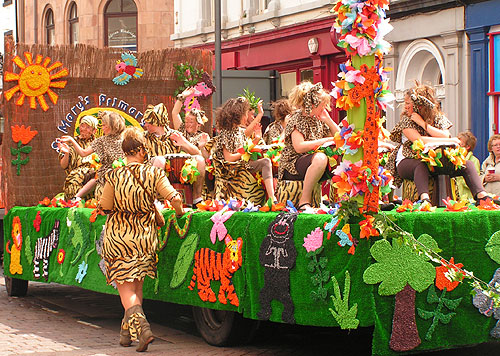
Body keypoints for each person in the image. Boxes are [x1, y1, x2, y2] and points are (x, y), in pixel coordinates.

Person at [99, 127, 184, 352]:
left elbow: (105, 206)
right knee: (136, 287)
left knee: (126, 290)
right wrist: (179, 213)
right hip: (145, 237)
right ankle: (126, 333)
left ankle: (144, 329)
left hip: (119, 238)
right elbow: (174, 198)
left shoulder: (114, 175)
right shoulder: (153, 173)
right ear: (141, 150)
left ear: (125, 151)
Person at [385, 83, 489, 204]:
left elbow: (445, 134)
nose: (405, 107)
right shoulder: (406, 121)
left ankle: (482, 196)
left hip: (436, 160)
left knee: (467, 164)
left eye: (408, 103)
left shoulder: (438, 118)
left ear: (420, 106)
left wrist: (424, 125)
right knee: (421, 165)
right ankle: (424, 199)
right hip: (408, 160)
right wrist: (449, 141)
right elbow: (419, 141)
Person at [278, 81, 340, 211]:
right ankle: (304, 201)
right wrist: (325, 140)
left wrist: (328, 120)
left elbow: (340, 138)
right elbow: (299, 147)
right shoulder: (296, 119)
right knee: (321, 158)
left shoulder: (318, 119)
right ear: (311, 105)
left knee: (341, 157)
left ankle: (339, 200)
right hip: (293, 164)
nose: (325, 107)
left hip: (311, 160)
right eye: (323, 104)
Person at [142, 103, 206, 207]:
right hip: (150, 174)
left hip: (176, 173)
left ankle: (196, 199)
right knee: (159, 161)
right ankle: (156, 201)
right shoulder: (143, 137)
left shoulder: (174, 134)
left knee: (199, 159)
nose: (146, 125)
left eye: (149, 122)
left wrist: (183, 143)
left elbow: (197, 153)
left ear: (158, 122)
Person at [214, 97, 276, 202]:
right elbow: (228, 158)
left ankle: (272, 197)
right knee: (265, 162)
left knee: (266, 161)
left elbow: (250, 131)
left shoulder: (239, 131)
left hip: (242, 164)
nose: (247, 117)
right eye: (245, 113)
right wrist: (245, 152)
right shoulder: (225, 133)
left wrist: (257, 138)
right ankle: (271, 197)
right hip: (232, 168)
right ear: (238, 116)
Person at [61, 111, 126, 200]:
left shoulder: (125, 140)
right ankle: (76, 198)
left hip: (121, 173)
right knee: (97, 177)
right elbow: (83, 153)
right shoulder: (101, 141)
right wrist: (72, 141)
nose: (102, 128)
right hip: (104, 175)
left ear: (110, 126)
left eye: (103, 125)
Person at [58, 115, 98, 200]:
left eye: (88, 127)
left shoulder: (97, 143)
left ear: (94, 130)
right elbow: (63, 166)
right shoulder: (71, 142)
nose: (84, 129)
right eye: (82, 126)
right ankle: (74, 200)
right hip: (76, 176)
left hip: (93, 176)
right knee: (73, 182)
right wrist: (66, 153)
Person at [171, 87, 210, 153]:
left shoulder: (203, 137)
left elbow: (206, 157)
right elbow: (175, 113)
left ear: (198, 123)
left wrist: (201, 147)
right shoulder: (182, 130)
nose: (188, 124)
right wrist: (182, 96)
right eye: (186, 122)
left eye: (191, 122)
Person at [453, 131, 481, 201]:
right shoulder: (454, 159)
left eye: (460, 144)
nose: (456, 147)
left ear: (467, 147)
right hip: (456, 198)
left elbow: (475, 182)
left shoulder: (473, 161)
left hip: (469, 199)